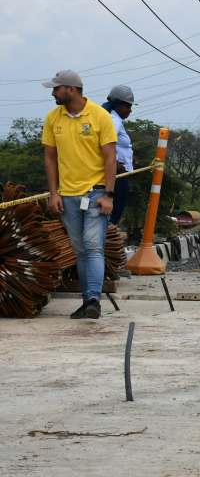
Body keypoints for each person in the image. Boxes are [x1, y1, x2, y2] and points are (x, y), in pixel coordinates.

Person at [41, 70, 117, 320]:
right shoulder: (53, 118)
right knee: (81, 250)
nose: (52, 93)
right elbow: (50, 158)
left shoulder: (99, 116)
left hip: (96, 194)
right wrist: (54, 193)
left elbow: (110, 157)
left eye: (56, 89)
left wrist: (108, 194)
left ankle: (94, 298)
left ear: (70, 89)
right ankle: (88, 303)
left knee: (94, 246)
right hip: (68, 196)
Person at [102, 85, 137, 227]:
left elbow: (118, 145)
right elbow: (103, 141)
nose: (130, 110)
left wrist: (130, 159)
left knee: (118, 204)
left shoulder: (115, 119)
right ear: (118, 106)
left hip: (121, 170)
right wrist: (114, 162)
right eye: (127, 107)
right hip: (116, 173)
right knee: (117, 205)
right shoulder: (114, 121)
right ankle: (108, 235)